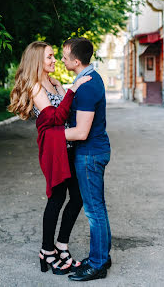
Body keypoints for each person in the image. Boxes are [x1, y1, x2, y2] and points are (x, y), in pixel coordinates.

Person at [8, 41, 92, 276]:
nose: (55, 60)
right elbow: (55, 118)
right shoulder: (36, 87)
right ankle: (47, 250)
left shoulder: (53, 84)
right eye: (50, 57)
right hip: (53, 150)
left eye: (54, 56)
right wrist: (73, 89)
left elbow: (70, 111)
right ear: (38, 61)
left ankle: (61, 247)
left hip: (68, 146)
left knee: (77, 197)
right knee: (56, 199)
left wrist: (67, 90)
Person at [61, 37, 111, 282]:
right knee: (97, 208)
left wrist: (50, 136)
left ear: (76, 60)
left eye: (64, 56)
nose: (61, 59)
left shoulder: (89, 85)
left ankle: (98, 264)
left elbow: (81, 132)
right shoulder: (86, 79)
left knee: (94, 211)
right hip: (92, 152)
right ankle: (102, 256)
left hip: (90, 154)